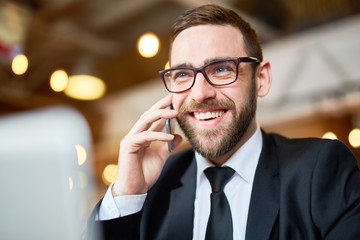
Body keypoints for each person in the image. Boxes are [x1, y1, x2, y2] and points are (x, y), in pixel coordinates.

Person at [86, 4, 360, 240]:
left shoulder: (319, 169)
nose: (200, 93)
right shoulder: (152, 189)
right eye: (182, 74)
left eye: (220, 69)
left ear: (260, 79)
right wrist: (126, 194)